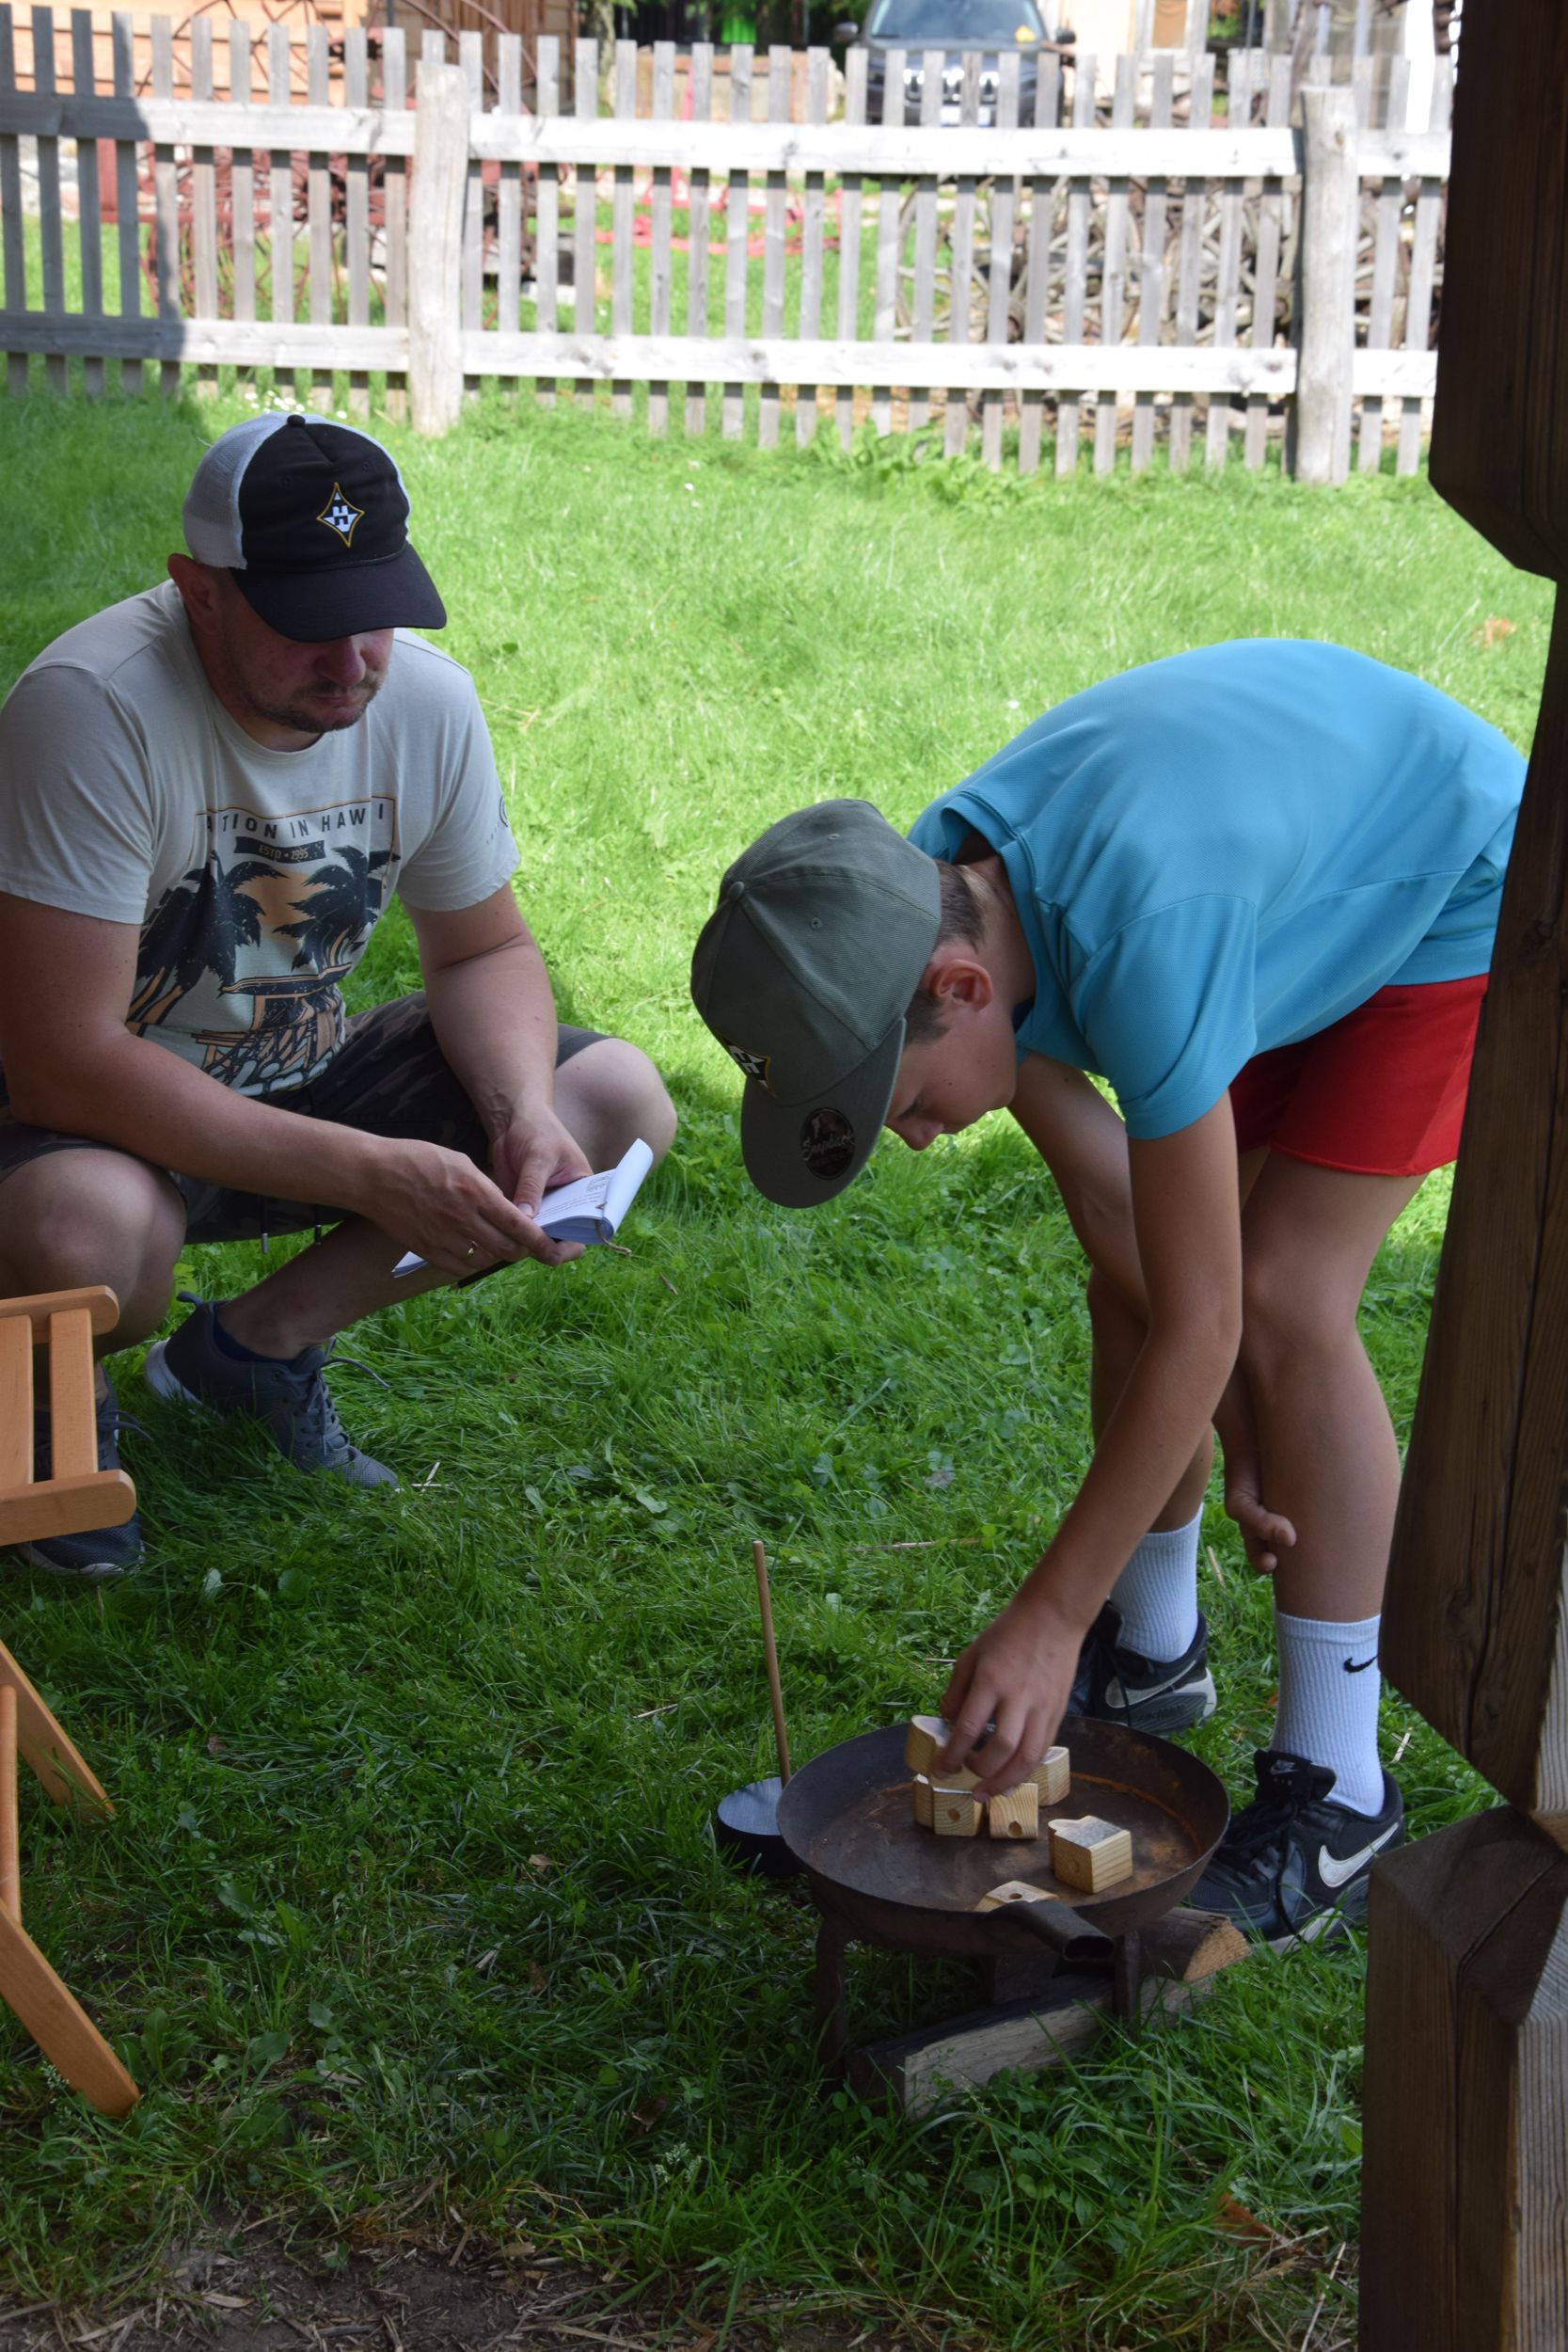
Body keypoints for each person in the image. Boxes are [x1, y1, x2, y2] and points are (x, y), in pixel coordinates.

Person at [689, 640, 1525, 1945]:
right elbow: (1119, 1222)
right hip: (1269, 876)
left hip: (1449, 876)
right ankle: (1152, 1654)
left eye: (898, 1106)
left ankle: (1336, 1785)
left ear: (956, 994)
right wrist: (1240, 1429)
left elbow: (1219, 1316)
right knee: (1138, 1291)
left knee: (1284, 1292)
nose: (905, 1140)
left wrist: (1043, 1612)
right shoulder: (926, 894)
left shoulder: (1135, 935)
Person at [0, 411, 675, 1581]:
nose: (356, 658)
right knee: (93, 1232)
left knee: (606, 1097)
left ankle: (252, 1352)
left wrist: (518, 1114)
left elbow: (481, 952)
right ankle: (51, 1400)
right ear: (199, 591)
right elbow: (63, 1055)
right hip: (75, 1118)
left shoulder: (424, 702)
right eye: (310, 622)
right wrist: (367, 1173)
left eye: (379, 611)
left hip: (286, 1071)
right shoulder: (91, 707)